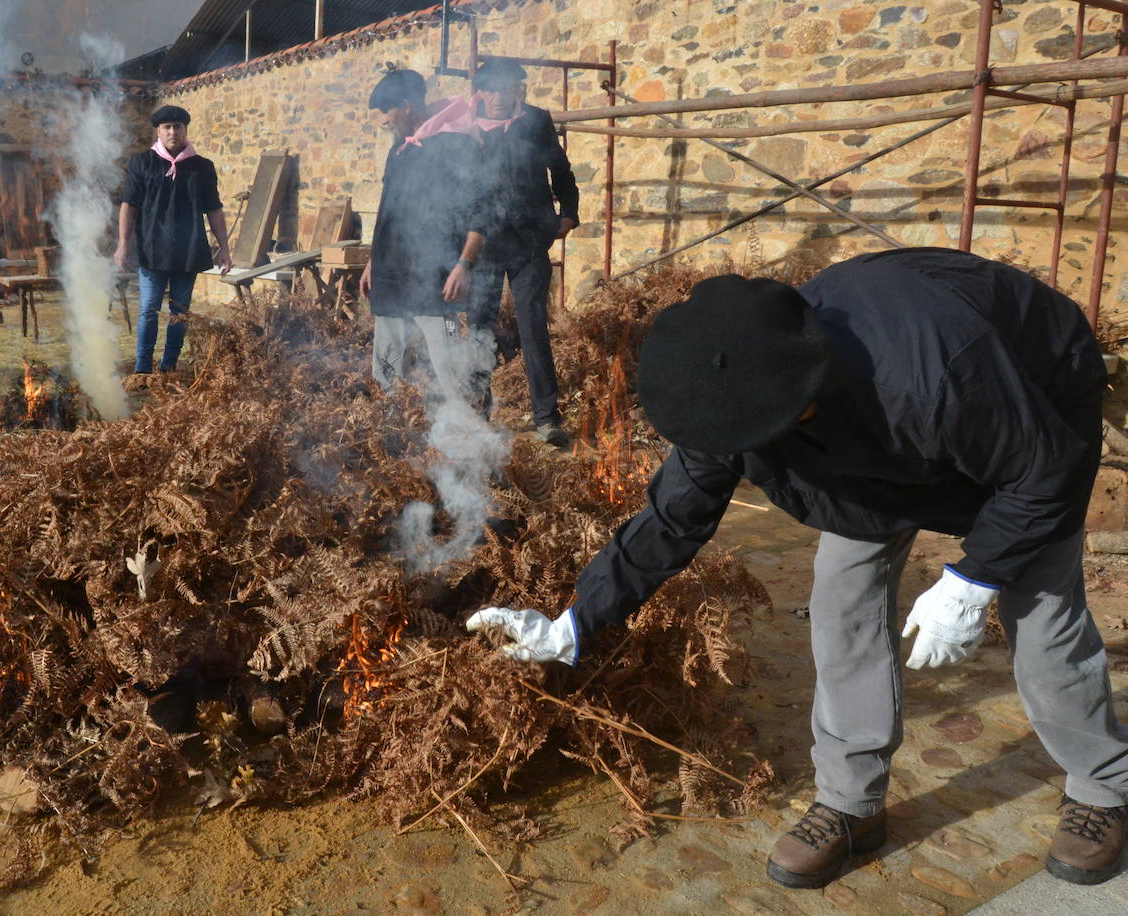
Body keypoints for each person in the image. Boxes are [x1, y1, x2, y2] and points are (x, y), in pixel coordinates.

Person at [467, 248, 1127, 889]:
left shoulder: (934, 372)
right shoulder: (728, 393)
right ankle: (850, 803)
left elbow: (1045, 472)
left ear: (796, 401)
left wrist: (974, 576)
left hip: (1030, 410)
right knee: (843, 603)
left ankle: (1103, 787)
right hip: (878, 444)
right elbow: (672, 520)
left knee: (1041, 609)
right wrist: (576, 621)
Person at [361, 69, 490, 406]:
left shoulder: (456, 143)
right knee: (387, 367)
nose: (385, 123)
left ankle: (466, 436)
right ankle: (389, 435)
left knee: (449, 369)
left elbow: (482, 210)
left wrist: (464, 264)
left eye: (388, 114)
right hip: (391, 277)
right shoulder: (398, 152)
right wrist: (374, 261)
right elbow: (388, 212)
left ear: (405, 105)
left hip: (436, 279)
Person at [467, 59, 579, 446]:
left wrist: (569, 213)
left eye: (507, 88)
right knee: (479, 330)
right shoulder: (466, 129)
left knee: (533, 329)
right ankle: (478, 415)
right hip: (483, 246)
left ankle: (547, 418)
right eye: (492, 89)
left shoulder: (536, 121)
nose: (499, 97)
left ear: (518, 89)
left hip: (530, 241)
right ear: (479, 92)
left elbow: (561, 171)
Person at [115, 104, 232, 376]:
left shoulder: (202, 167)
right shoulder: (141, 162)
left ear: (185, 130)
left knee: (180, 313)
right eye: (167, 127)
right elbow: (128, 205)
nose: (172, 132)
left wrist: (224, 248)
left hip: (188, 250)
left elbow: (214, 209)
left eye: (177, 127)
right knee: (148, 310)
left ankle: (169, 366)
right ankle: (143, 368)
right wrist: (122, 243)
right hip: (152, 249)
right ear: (158, 130)